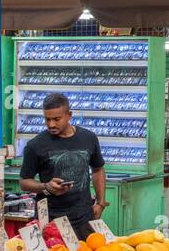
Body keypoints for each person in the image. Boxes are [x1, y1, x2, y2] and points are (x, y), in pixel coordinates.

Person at [19, 92, 107, 239]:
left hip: (84, 216)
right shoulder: (35, 145)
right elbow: (24, 182)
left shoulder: (88, 138)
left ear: (69, 115)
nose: (51, 124)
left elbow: (98, 169)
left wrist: (100, 202)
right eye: (47, 119)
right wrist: (46, 186)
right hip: (51, 220)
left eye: (56, 119)